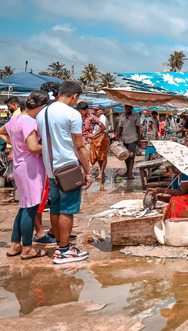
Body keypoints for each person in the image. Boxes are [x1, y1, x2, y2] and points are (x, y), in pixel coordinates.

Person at [37, 80, 92, 264]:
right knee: (68, 210)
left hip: (51, 169)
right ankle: (64, 251)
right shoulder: (72, 114)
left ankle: (60, 244)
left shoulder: (42, 112)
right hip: (68, 168)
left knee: (56, 207)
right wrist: (88, 171)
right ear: (75, 96)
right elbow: (79, 146)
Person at [0, 91, 50, 259]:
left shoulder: (16, 118)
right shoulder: (29, 121)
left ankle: (15, 244)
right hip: (31, 169)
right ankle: (28, 248)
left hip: (20, 165)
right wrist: (53, 149)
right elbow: (34, 147)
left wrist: (14, 142)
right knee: (30, 208)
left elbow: (2, 131)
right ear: (42, 107)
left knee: (24, 207)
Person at [115, 104, 142, 179]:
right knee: (126, 156)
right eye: (126, 109)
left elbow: (138, 128)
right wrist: (118, 136)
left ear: (131, 108)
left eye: (129, 109)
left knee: (131, 156)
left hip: (133, 139)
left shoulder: (136, 116)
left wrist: (139, 140)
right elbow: (120, 127)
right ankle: (127, 172)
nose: (127, 110)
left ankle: (130, 173)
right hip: (124, 139)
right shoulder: (122, 116)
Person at [90, 105, 109, 182]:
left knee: (102, 156)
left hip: (101, 139)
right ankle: (102, 172)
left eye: (97, 110)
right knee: (98, 156)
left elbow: (104, 131)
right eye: (95, 110)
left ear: (101, 111)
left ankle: (101, 173)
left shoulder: (103, 119)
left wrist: (100, 141)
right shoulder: (98, 118)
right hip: (96, 139)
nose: (95, 112)